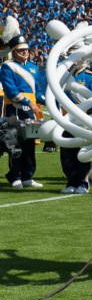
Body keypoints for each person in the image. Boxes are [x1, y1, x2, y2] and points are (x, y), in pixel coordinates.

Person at [1, 35, 45, 188]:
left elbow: (37, 91)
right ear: (14, 51)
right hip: (14, 110)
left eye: (26, 49)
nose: (25, 52)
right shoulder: (7, 66)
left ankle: (28, 176)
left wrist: (48, 101)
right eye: (21, 50)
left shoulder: (33, 67)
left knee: (29, 143)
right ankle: (14, 176)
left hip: (29, 111)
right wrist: (29, 103)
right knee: (15, 143)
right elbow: (11, 91)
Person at [60, 60, 92, 194]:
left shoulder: (91, 76)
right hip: (67, 120)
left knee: (83, 152)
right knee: (67, 153)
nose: (75, 61)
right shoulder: (62, 76)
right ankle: (71, 181)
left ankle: (83, 182)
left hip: (85, 120)